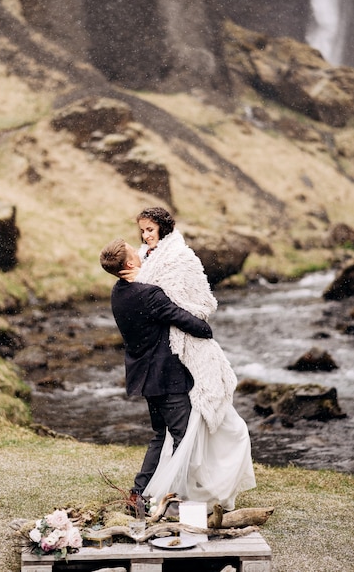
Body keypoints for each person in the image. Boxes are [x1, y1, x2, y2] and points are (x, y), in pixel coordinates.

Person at [119, 206, 256, 511]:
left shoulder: (181, 258)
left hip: (174, 358)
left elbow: (200, 302)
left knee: (179, 432)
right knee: (181, 434)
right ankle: (174, 498)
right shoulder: (145, 263)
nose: (145, 235)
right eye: (141, 230)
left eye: (150, 229)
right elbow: (164, 306)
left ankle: (146, 492)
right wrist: (198, 328)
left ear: (164, 228)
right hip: (165, 366)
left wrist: (193, 325)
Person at [99, 238, 214, 501]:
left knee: (161, 435)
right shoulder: (148, 293)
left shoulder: (119, 291)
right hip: (165, 377)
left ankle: (139, 492)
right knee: (184, 439)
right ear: (129, 263)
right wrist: (206, 329)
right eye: (134, 251)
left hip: (144, 376)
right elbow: (182, 318)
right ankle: (183, 498)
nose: (141, 252)